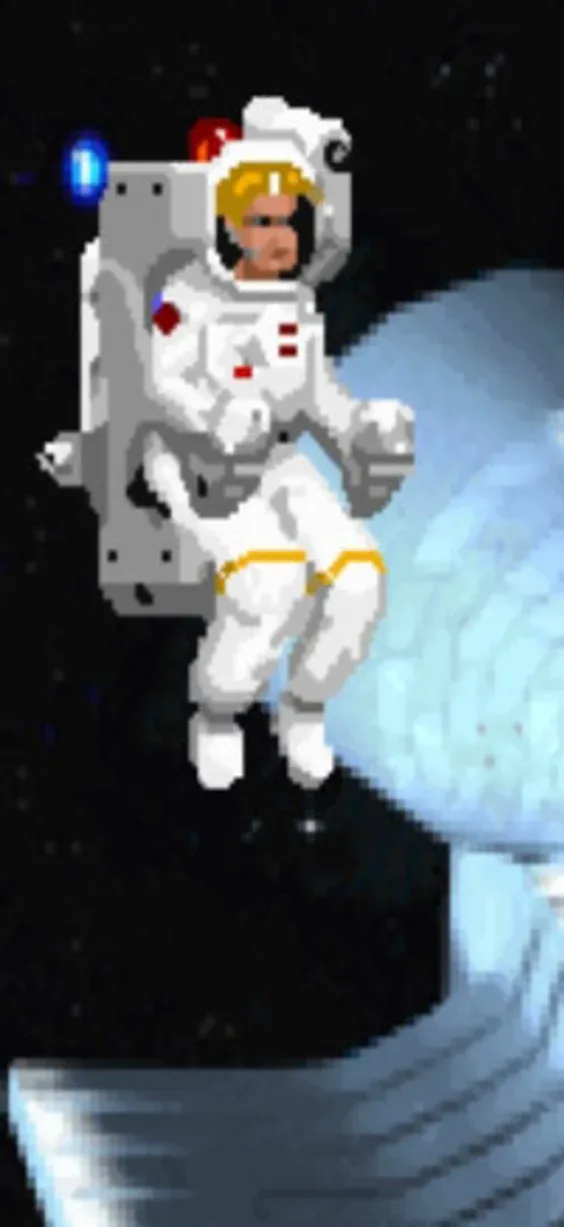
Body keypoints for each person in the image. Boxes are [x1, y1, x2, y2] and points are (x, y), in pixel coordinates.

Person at [137, 112, 413, 790]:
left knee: (359, 581)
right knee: (274, 586)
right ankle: (217, 714)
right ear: (232, 227)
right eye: (263, 222)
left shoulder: (292, 314)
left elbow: (317, 395)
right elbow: (162, 384)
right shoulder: (185, 300)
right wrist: (216, 417)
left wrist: (361, 433)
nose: (280, 237)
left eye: (288, 222)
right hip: (199, 469)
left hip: (272, 460)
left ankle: (305, 708)